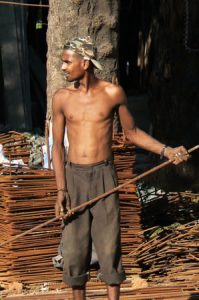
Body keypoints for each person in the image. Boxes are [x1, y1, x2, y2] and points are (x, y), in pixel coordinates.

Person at [52, 36, 189, 300]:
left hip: (104, 176)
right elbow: (57, 147)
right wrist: (61, 188)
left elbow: (133, 132)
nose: (63, 68)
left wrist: (166, 150)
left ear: (85, 62)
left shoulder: (112, 93)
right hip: (74, 178)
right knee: (74, 250)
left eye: (68, 62)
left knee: (108, 247)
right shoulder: (61, 98)